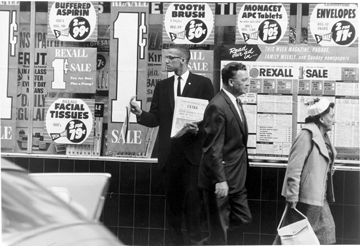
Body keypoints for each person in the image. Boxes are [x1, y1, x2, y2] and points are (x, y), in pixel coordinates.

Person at [130, 44, 214, 245]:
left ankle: (196, 242)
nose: (166, 61)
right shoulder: (163, 86)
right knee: (173, 208)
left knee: (194, 206)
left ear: (183, 60)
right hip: (169, 156)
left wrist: (198, 130)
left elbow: (212, 119)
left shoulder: (203, 84)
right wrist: (140, 114)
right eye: (166, 58)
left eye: (170, 58)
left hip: (193, 156)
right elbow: (155, 118)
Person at [198, 62, 252, 245]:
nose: (248, 83)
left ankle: (207, 243)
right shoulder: (218, 106)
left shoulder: (234, 102)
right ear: (230, 81)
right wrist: (220, 180)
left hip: (236, 178)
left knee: (243, 218)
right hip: (221, 180)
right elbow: (212, 148)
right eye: (243, 80)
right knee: (219, 229)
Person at [274, 97, 337, 245]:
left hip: (319, 196)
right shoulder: (306, 135)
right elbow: (294, 168)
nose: (334, 120)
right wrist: (292, 196)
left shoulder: (323, 136)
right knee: (295, 237)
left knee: (323, 233)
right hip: (305, 198)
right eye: (332, 116)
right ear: (321, 118)